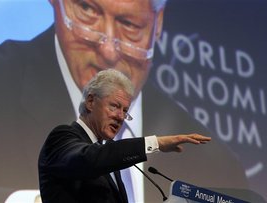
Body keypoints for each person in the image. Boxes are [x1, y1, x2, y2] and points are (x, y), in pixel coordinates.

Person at [0, 0, 249, 202]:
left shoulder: (218, 164)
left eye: (130, 25)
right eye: (88, 9)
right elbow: (95, 158)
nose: (109, 49)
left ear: (158, 24)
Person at [38, 69, 211, 203]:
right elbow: (89, 159)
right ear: (91, 102)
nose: (120, 117)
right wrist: (155, 143)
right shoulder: (62, 137)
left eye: (125, 111)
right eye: (114, 106)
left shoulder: (107, 157)